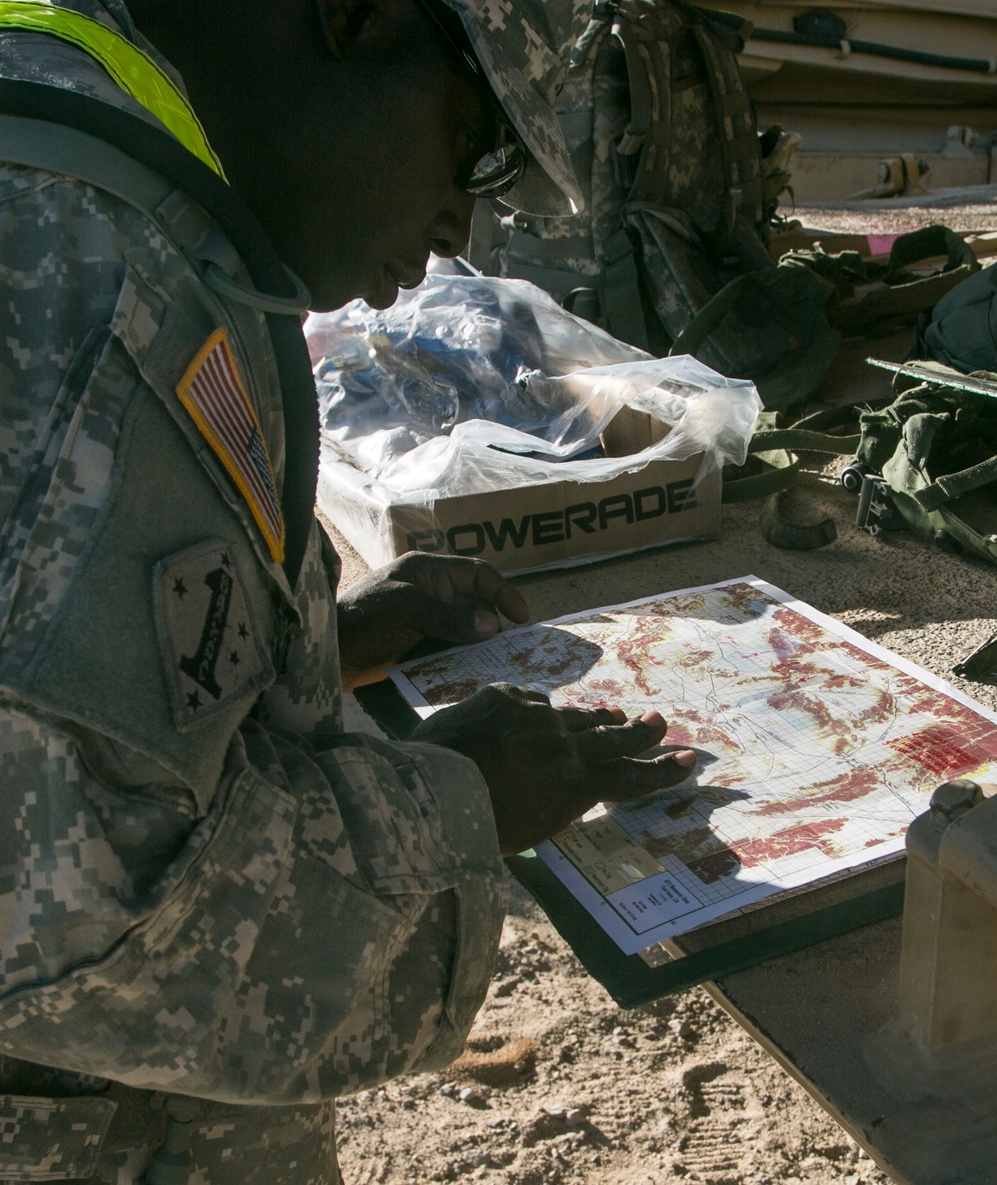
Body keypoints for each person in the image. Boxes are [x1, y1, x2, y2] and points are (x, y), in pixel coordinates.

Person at [0, 1, 697, 1181]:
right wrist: (460, 803)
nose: (456, 222)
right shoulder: (79, 265)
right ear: (358, 17)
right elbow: (70, 926)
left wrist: (329, 643)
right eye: (470, 140)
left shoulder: (96, 163)